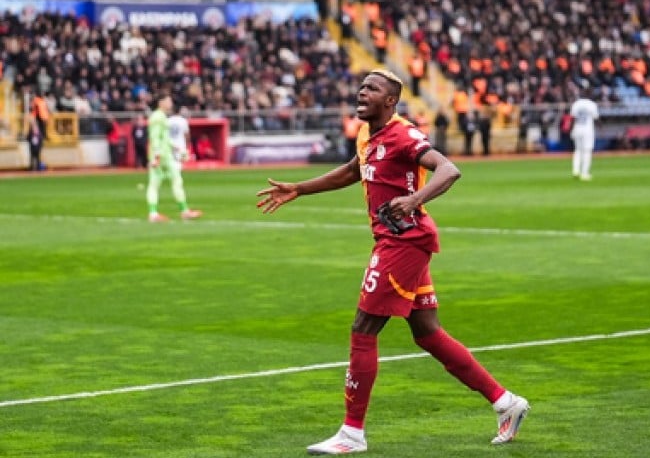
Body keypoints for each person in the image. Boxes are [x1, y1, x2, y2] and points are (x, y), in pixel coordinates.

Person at [255, 70, 530, 454]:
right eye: (362, 86)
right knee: (428, 333)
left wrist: (415, 200)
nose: (361, 91)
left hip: (403, 241)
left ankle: (352, 434)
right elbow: (354, 170)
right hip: (401, 240)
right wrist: (300, 188)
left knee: (363, 328)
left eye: (372, 88)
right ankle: (506, 403)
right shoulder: (367, 132)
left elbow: (449, 169)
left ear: (390, 100)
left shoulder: (404, 134)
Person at [146, 94, 201, 223]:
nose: (170, 102)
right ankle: (182, 211)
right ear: (161, 102)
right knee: (171, 181)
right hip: (162, 156)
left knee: (160, 183)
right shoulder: (157, 118)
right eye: (168, 100)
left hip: (164, 155)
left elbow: (164, 138)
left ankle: (155, 213)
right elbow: (155, 138)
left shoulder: (161, 117)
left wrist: (178, 149)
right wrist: (156, 156)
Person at [568, 91, 599, 180]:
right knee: (587, 151)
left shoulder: (576, 104)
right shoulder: (592, 104)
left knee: (577, 150)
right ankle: (584, 173)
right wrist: (601, 127)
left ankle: (575, 171)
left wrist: (571, 129)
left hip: (577, 128)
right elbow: (596, 118)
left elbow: (573, 118)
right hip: (587, 130)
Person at [25, 89, 49, 171]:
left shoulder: (38, 101)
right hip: (39, 125)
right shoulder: (40, 101)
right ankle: (35, 166)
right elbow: (41, 115)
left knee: (34, 151)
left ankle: (34, 166)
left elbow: (35, 113)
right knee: (36, 151)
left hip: (38, 125)